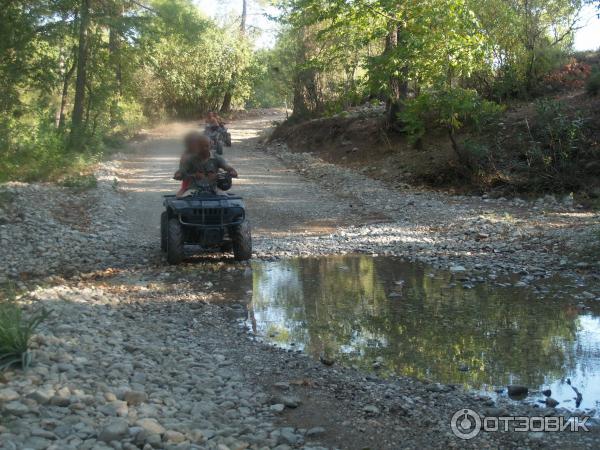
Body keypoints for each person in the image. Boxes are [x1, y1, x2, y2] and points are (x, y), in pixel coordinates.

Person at [174, 131, 237, 198]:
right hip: (193, 189)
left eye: (206, 146)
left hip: (214, 189)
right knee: (182, 201)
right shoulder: (190, 159)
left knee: (226, 200)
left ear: (211, 145)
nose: (204, 149)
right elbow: (180, 172)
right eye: (201, 147)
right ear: (197, 147)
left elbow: (229, 169)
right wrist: (194, 175)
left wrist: (220, 175)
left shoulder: (217, 158)